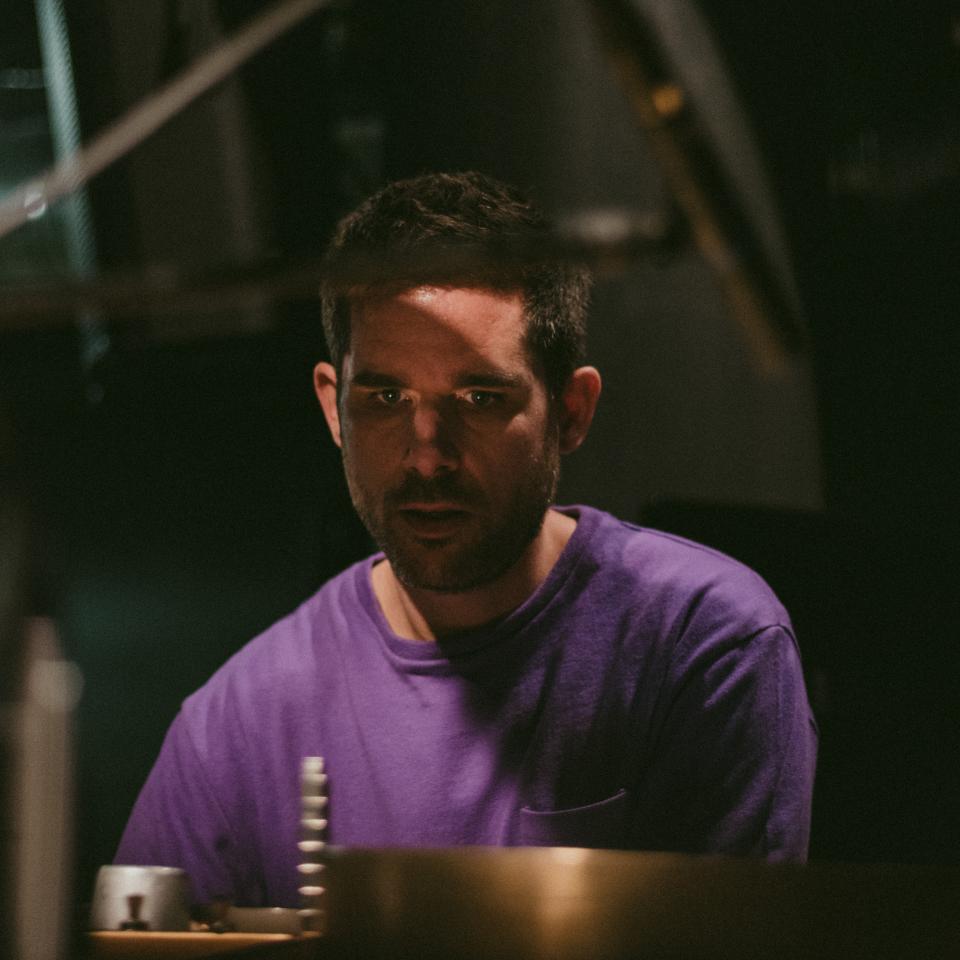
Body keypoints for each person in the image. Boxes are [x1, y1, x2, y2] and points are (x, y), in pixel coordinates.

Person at [115, 171, 817, 908]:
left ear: (571, 411)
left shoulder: (704, 647)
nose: (427, 455)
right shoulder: (238, 722)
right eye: (386, 399)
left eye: (480, 399)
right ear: (332, 407)